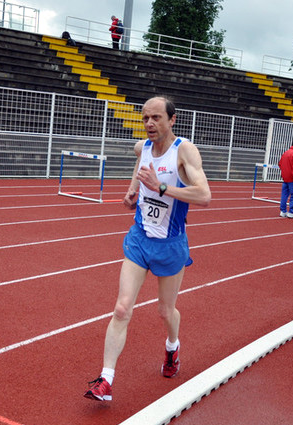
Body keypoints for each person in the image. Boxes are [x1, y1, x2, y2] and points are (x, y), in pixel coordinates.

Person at [84, 96, 212, 402]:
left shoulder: (184, 150)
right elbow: (139, 173)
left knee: (165, 310)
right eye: (145, 118)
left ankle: (172, 348)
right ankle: (106, 379)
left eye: (156, 118)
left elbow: (204, 195)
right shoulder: (141, 148)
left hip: (170, 245)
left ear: (172, 120)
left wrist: (162, 187)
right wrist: (132, 193)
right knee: (121, 307)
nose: (150, 124)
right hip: (140, 239)